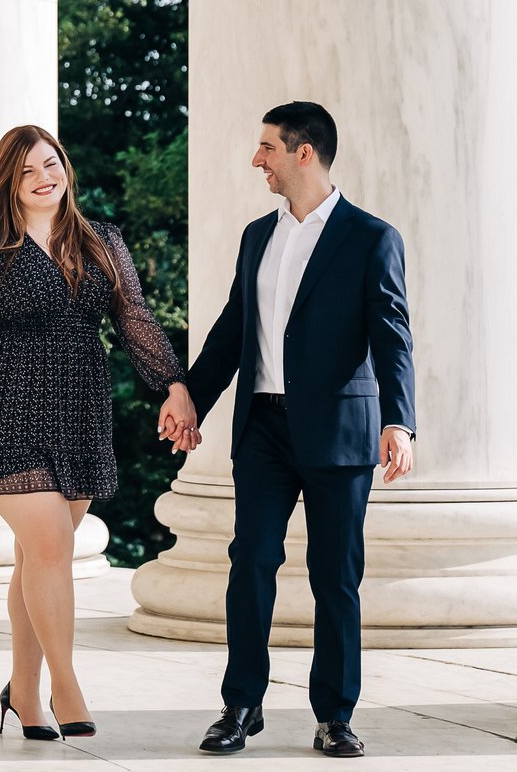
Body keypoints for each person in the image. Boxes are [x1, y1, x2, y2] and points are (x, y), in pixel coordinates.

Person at [0, 124, 196, 743]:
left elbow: (133, 317)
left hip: (77, 407)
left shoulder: (101, 239)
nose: (44, 178)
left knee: (35, 557)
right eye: (27, 172)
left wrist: (173, 384)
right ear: (8, 185)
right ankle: (65, 683)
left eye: (51, 164)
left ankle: (22, 691)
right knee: (49, 546)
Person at [159, 102, 417, 759]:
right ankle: (241, 705)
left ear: (305, 153)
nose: (257, 159)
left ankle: (335, 714)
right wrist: (190, 393)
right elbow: (230, 333)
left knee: (335, 575)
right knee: (250, 561)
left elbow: (393, 337)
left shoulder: (371, 237)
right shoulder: (257, 236)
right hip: (264, 428)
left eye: (267, 147)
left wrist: (399, 419)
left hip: (338, 431)